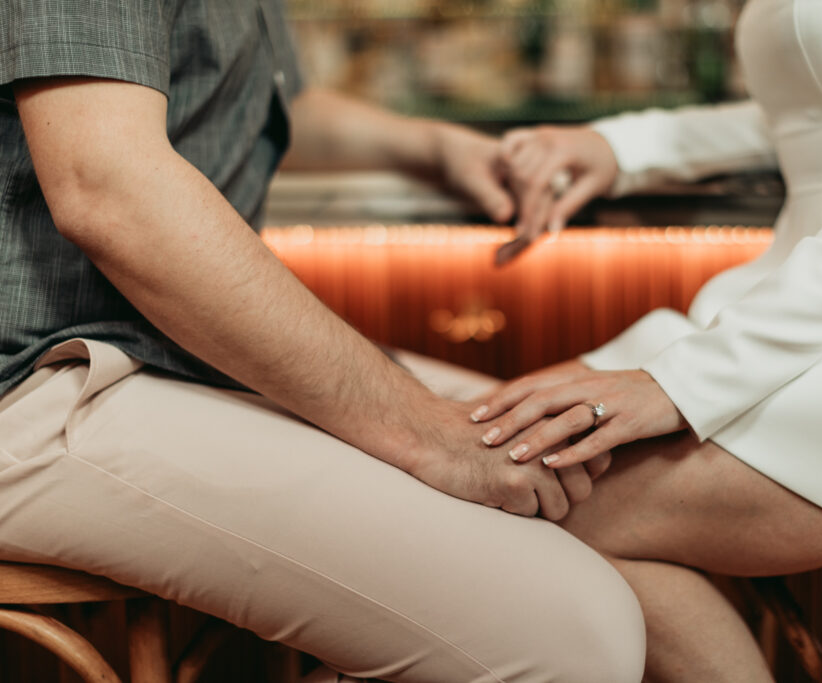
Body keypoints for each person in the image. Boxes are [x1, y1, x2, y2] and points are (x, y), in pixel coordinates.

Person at [0, 1, 647, 681]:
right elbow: (107, 186)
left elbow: (263, 102)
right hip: (34, 379)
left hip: (162, 347)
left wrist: (431, 148)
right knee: (572, 629)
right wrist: (421, 429)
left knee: (598, 481)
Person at [475, 0, 822, 680]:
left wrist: (684, 381)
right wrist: (628, 146)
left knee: (530, 501)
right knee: (498, 473)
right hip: (808, 316)